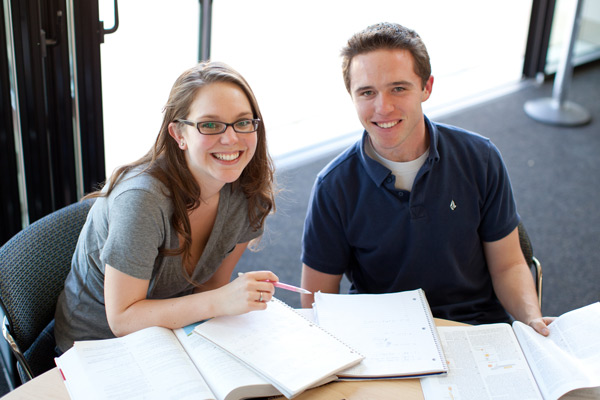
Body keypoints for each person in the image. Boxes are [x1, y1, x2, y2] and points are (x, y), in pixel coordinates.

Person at [300, 22, 554, 335]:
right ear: (352, 96)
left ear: (426, 87)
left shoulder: (480, 157)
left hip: (476, 327)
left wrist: (530, 318)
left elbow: (509, 265)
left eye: (398, 88)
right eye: (367, 92)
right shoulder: (333, 187)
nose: (383, 107)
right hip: (388, 339)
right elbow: (317, 301)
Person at [55, 61, 280, 353]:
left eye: (243, 122)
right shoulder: (142, 201)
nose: (231, 138)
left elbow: (210, 289)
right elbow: (122, 319)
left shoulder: (247, 193)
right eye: (210, 124)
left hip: (175, 337)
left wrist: (222, 301)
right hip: (100, 350)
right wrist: (223, 300)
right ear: (179, 135)